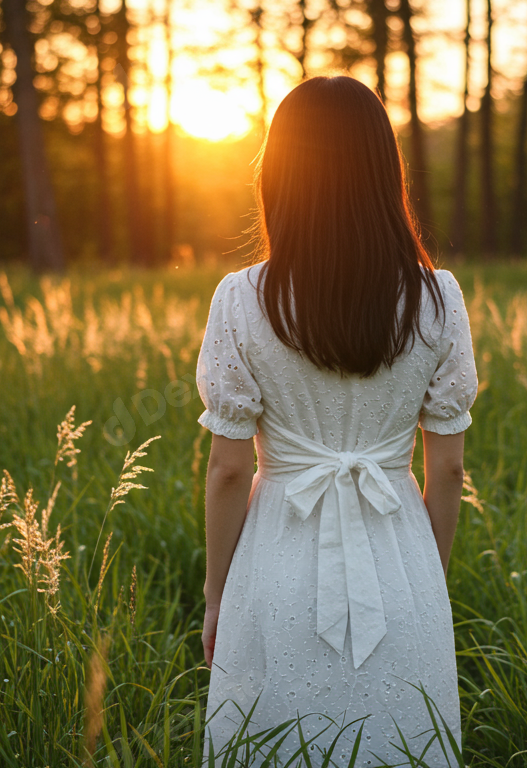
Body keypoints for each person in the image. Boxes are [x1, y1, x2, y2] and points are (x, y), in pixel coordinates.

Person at [196, 75, 477, 766]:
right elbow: (447, 466)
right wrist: (424, 575)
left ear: (280, 175)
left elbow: (231, 468)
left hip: (276, 554)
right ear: (385, 172)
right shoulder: (437, 298)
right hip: (400, 554)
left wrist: (214, 595)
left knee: (276, 738)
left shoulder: (241, 299)